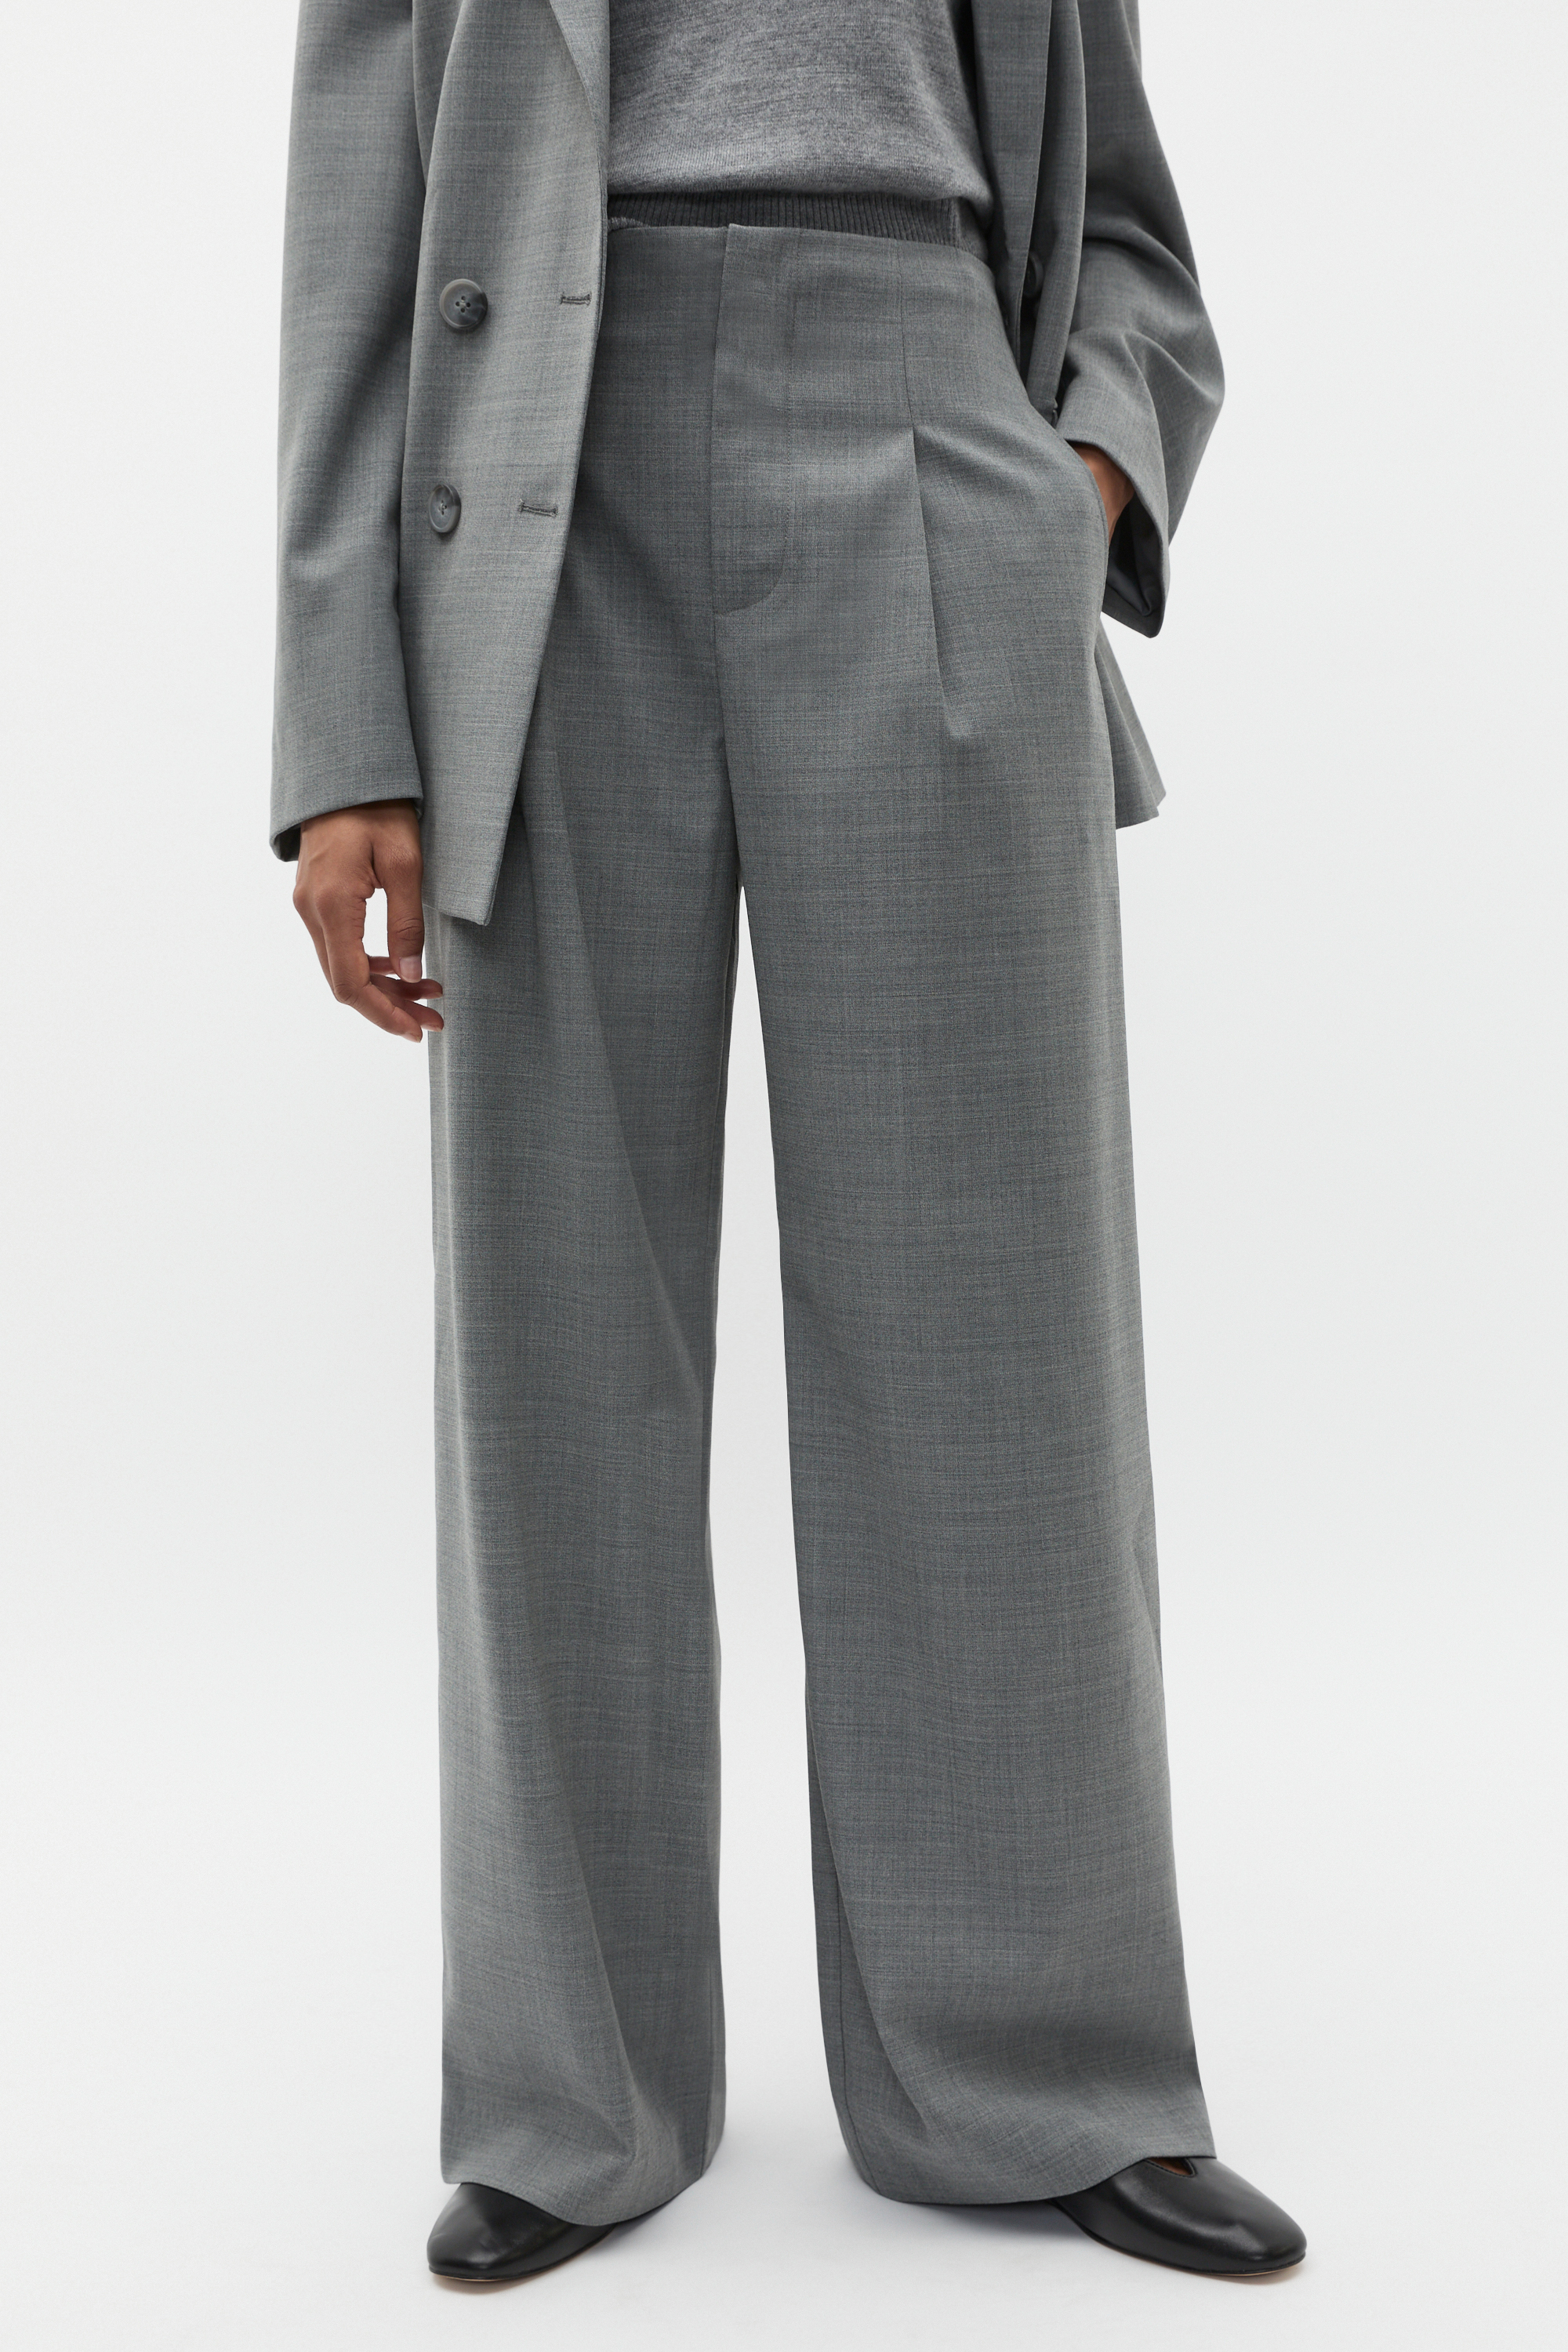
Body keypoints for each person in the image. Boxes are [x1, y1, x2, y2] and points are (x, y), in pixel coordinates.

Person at [274, 0, 1306, 2285]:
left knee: (993, 1331)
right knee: (552, 1339)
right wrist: (343, 729)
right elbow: (356, 224)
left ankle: (1041, 2070)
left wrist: (1077, 478)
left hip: (928, 422)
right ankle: (572, 2099)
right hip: (531, 479)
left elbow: (1125, 227)